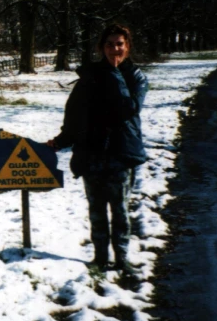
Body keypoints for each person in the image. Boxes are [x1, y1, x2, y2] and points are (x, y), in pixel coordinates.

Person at [47, 24, 148, 274]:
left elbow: (128, 108)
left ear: (127, 46)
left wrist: (114, 75)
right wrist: (62, 140)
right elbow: (75, 115)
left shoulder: (135, 77)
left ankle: (122, 259)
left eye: (119, 44)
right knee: (97, 211)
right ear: (101, 47)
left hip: (120, 154)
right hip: (91, 153)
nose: (114, 49)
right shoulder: (89, 77)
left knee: (120, 211)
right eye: (109, 44)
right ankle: (100, 258)